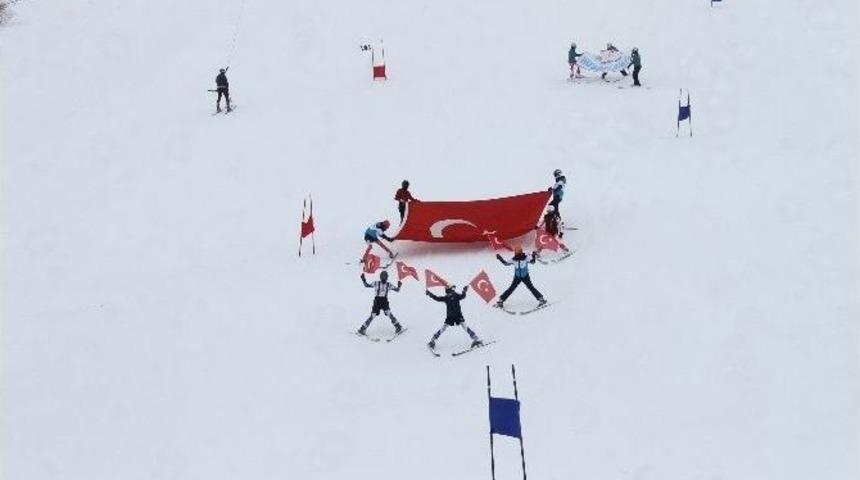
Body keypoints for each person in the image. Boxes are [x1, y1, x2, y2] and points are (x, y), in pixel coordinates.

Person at [426, 285, 483, 350]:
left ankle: (475, 338)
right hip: (451, 316)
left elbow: (463, 296)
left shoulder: (455, 296)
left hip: (457, 315)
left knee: (464, 326)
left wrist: (464, 290)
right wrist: (430, 294)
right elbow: (437, 298)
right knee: (444, 328)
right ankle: (433, 340)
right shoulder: (447, 297)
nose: (452, 291)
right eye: (452, 289)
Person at [357, 271, 403, 336]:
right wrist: (363, 279)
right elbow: (366, 285)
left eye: (385, 277)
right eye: (382, 276)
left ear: (387, 277)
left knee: (388, 313)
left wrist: (399, 286)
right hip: (377, 301)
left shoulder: (388, 284)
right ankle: (362, 329)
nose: (384, 278)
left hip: (384, 301)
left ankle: (398, 326)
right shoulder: (376, 283)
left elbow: (397, 290)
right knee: (373, 315)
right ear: (380, 277)